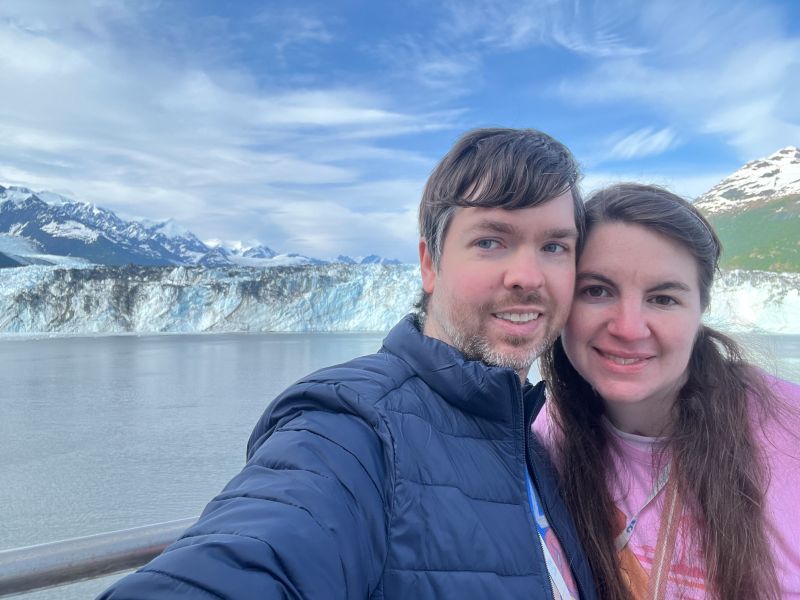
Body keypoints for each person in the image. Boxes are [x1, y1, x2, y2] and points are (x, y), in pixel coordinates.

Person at [99, 128, 598, 599]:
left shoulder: (531, 439)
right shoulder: (352, 425)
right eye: (490, 241)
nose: (528, 276)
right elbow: (260, 547)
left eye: (554, 246)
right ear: (430, 263)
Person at [536, 183, 800, 600]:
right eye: (597, 291)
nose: (627, 327)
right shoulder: (546, 438)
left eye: (662, 298)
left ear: (700, 311)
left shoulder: (787, 428)